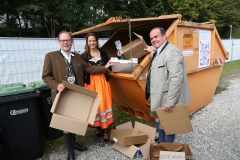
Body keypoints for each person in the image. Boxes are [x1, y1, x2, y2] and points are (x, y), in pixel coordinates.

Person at [42, 30, 112, 160]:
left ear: (72, 42)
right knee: (66, 125)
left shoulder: (77, 56)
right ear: (58, 42)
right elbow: (46, 76)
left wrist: (104, 67)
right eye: (62, 40)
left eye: (68, 40)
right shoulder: (50, 56)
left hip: (77, 95)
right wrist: (57, 85)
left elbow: (89, 68)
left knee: (75, 122)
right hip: (62, 95)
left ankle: (74, 143)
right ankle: (70, 152)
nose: (65, 42)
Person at [144, 27, 191, 143]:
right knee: (159, 119)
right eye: (151, 38)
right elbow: (159, 58)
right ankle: (162, 143)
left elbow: (176, 79)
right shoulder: (159, 51)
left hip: (167, 98)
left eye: (156, 36)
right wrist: (151, 52)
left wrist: (170, 102)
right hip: (159, 95)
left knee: (169, 123)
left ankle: (168, 147)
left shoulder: (173, 52)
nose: (154, 40)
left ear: (164, 36)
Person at [81, 33, 113, 142]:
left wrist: (118, 57)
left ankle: (105, 130)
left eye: (94, 40)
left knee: (103, 104)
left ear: (97, 41)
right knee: (95, 106)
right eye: (90, 41)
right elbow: (85, 71)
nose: (92, 43)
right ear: (87, 42)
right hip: (91, 83)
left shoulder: (103, 53)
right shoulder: (84, 56)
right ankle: (97, 126)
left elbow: (110, 66)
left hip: (103, 82)